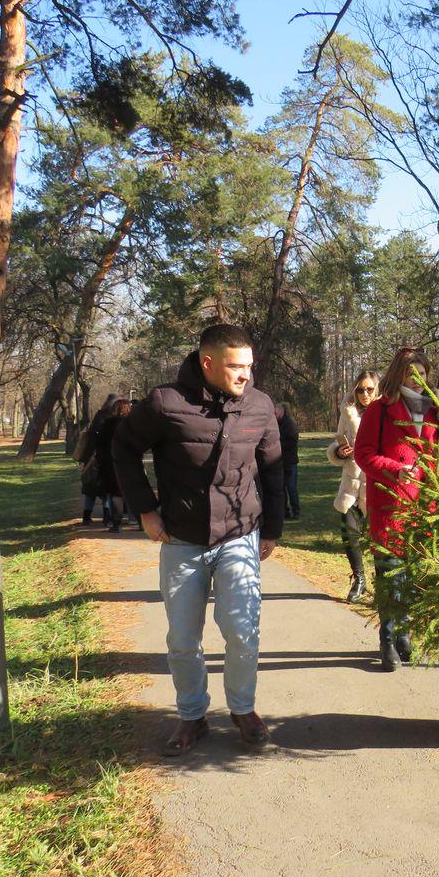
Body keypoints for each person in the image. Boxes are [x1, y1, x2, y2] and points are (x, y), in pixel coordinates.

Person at [113, 324, 284, 756]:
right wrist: (146, 509)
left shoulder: (261, 406)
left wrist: (274, 529)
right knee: (183, 638)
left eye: (249, 366)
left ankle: (243, 709)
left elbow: (274, 469)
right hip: (182, 540)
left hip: (239, 536)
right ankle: (192, 716)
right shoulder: (165, 402)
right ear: (207, 362)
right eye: (236, 366)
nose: (246, 375)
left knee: (243, 631)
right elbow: (123, 448)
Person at [353, 347, 439, 671]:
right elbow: (363, 454)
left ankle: (404, 636)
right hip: (391, 507)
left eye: (422, 375)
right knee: (392, 578)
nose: (417, 381)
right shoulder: (380, 410)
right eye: (410, 375)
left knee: (415, 580)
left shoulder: (436, 408)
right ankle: (387, 640)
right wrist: (394, 468)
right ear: (398, 376)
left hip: (425, 509)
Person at [328, 370, 379, 603]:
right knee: (350, 533)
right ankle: (359, 579)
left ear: (377, 389)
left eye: (369, 389)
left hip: (377, 482)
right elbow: (338, 440)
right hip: (352, 481)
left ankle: (383, 584)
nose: (365, 394)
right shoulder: (347, 412)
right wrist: (339, 451)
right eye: (360, 389)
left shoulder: (384, 410)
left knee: (380, 539)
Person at [76, 394, 122, 526]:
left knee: (93, 489)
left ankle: (89, 516)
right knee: (104, 490)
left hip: (96, 457)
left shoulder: (100, 416)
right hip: (98, 458)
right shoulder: (107, 418)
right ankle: (105, 517)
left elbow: (94, 436)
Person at [93, 399, 131, 532]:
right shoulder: (131, 423)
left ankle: (116, 523)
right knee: (132, 491)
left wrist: (100, 459)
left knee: (116, 493)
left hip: (111, 462)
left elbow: (99, 443)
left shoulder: (108, 423)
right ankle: (141, 522)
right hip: (130, 462)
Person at [276, 402, 300, 520]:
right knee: (281, 488)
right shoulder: (277, 424)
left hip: (290, 462)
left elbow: (292, 441)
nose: (274, 412)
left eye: (276, 410)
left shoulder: (289, 424)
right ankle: (285, 512)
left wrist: (278, 445)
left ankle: (296, 511)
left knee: (291, 488)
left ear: (282, 410)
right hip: (280, 462)